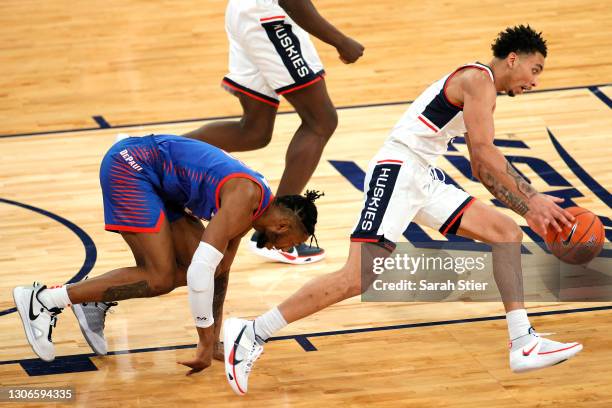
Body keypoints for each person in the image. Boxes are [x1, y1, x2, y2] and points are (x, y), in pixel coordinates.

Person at [222, 25, 583, 395]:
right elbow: (487, 152)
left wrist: (526, 210)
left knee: (506, 233)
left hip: (421, 177)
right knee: (358, 276)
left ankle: (522, 341)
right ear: (513, 59)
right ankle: (253, 331)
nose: (535, 81)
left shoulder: (484, 90)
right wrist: (535, 198)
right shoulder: (478, 79)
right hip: (398, 170)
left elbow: (480, 166)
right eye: (535, 70)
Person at [12, 134, 321, 374]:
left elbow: (218, 273)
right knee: (159, 277)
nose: (287, 248)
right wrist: (202, 343)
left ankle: (95, 298)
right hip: (131, 167)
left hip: (160, 183)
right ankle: (43, 300)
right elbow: (200, 273)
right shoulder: (244, 199)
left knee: (197, 270)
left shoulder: (255, 206)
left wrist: (212, 339)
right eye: (292, 241)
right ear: (282, 225)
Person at [183, 0, 364, 265]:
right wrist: (340, 40)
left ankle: (152, 153)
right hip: (268, 16)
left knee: (254, 131)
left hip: (247, 11)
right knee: (321, 121)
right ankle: (278, 231)